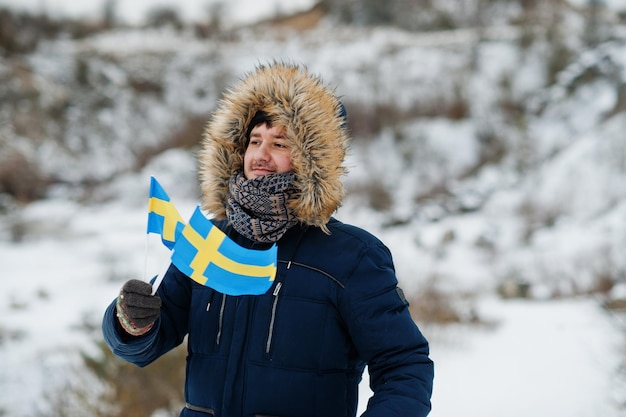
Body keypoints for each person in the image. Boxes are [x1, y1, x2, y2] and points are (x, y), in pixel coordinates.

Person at [102, 62, 434, 417]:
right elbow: (145, 344)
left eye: (279, 143)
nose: (260, 154)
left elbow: (404, 364)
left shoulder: (351, 256)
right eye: (254, 141)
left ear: (313, 161)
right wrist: (131, 322)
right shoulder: (208, 241)